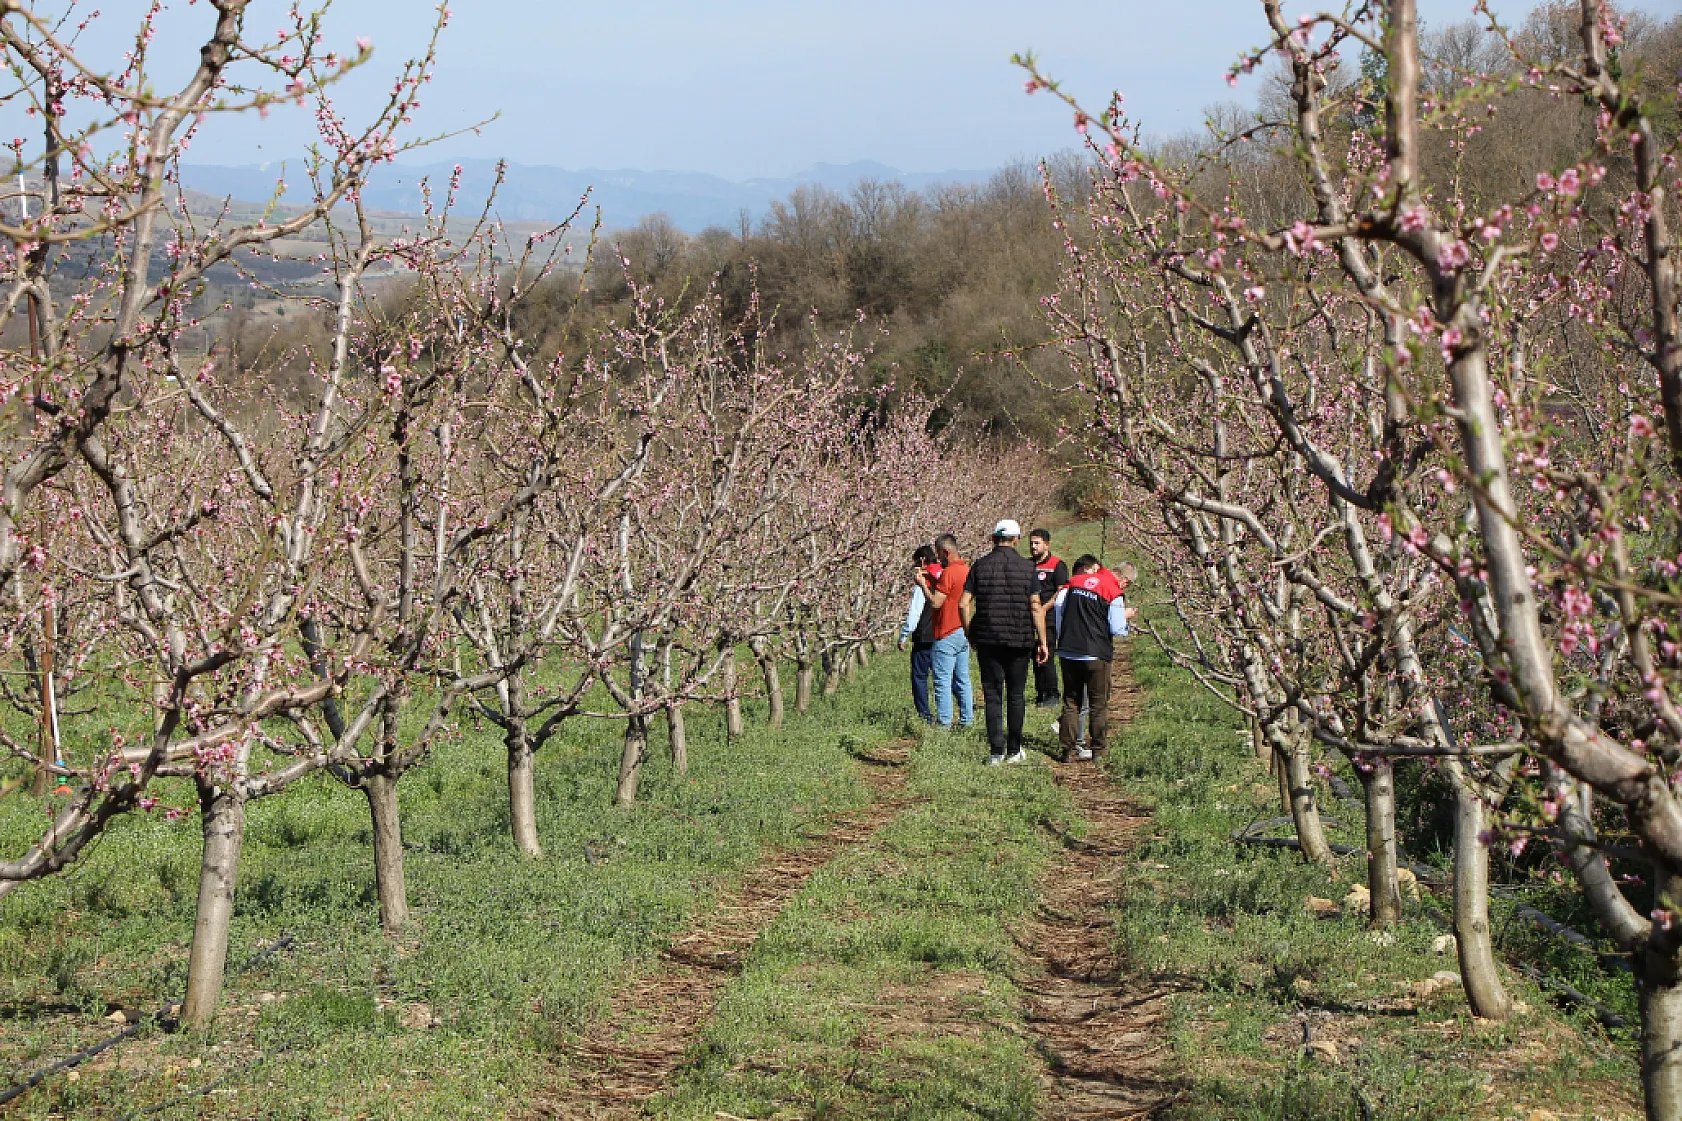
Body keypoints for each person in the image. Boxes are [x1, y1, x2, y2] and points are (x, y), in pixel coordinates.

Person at [960, 519, 1047, 765]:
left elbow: (963, 603)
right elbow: (1035, 606)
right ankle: (1014, 749)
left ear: (992, 539)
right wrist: (1043, 641)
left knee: (993, 695)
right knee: (1016, 695)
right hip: (1020, 639)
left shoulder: (980, 566)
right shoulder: (1027, 568)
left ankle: (996, 751)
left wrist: (969, 632)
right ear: (1017, 539)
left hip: (988, 640)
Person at [1051, 557, 1135, 763]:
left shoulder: (1075, 582)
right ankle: (1098, 749)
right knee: (1099, 703)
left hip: (1069, 650)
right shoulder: (1113, 592)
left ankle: (1066, 750)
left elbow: (1059, 608)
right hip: (1096, 653)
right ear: (1125, 581)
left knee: (1071, 702)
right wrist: (1125, 622)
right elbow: (1116, 628)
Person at [920, 533, 974, 729]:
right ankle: (967, 719)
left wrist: (922, 586)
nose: (938, 558)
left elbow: (936, 602)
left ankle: (944, 723)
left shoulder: (949, 572)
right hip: (962, 630)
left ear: (946, 552)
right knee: (963, 678)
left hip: (946, 631)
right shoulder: (967, 570)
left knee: (942, 680)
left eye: (939, 554)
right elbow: (952, 593)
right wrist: (933, 581)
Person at [897, 544, 943, 724]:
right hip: (942, 633)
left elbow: (915, 613)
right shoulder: (943, 574)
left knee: (920, 677)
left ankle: (925, 716)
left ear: (922, 561)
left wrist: (904, 635)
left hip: (924, 636)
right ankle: (950, 713)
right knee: (943, 675)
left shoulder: (923, 580)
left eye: (916, 563)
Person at [1028, 528, 1069, 708]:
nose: (1033, 547)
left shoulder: (1057, 565)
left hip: (1049, 617)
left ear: (1046, 544)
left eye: (1037, 543)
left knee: (1047, 654)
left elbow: (1060, 591)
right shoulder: (1028, 565)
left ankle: (1052, 693)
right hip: (1031, 618)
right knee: (1034, 655)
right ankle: (1041, 693)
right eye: (1031, 543)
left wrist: (1043, 609)